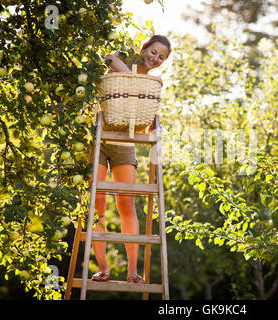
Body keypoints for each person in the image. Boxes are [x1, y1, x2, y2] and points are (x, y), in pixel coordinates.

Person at [89, 35, 171, 283]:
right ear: (144, 47)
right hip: (100, 140)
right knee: (98, 206)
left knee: (127, 206)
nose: (155, 59)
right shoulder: (125, 61)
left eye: (161, 57)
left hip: (124, 145)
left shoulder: (150, 85)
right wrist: (131, 78)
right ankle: (103, 268)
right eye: (154, 52)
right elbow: (109, 57)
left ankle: (132, 271)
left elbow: (144, 121)